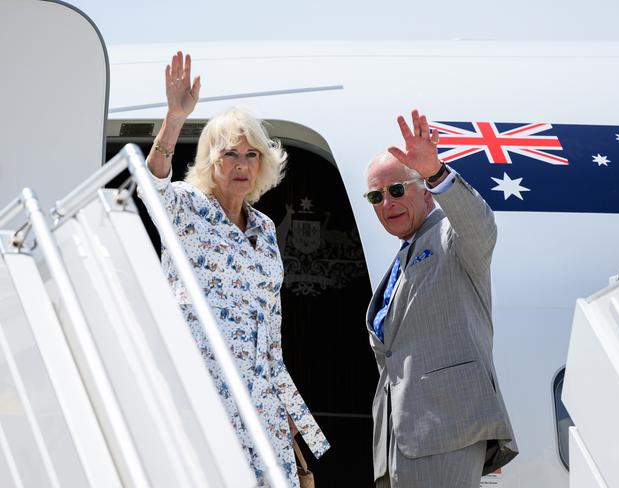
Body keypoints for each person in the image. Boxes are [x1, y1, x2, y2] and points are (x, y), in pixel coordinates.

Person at [140, 51, 329, 487]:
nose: (242, 165)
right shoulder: (188, 208)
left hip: (260, 396)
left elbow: (270, 327)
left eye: (251, 154)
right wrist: (174, 118)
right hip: (201, 389)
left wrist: (286, 407)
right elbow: (151, 185)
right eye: (230, 154)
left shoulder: (264, 228)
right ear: (212, 161)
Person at [364, 110, 517, 488]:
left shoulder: (449, 236)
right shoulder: (405, 253)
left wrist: (437, 173)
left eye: (397, 190)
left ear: (424, 192)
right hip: (400, 443)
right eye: (376, 196)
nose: (387, 203)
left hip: (444, 431)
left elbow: (479, 226)